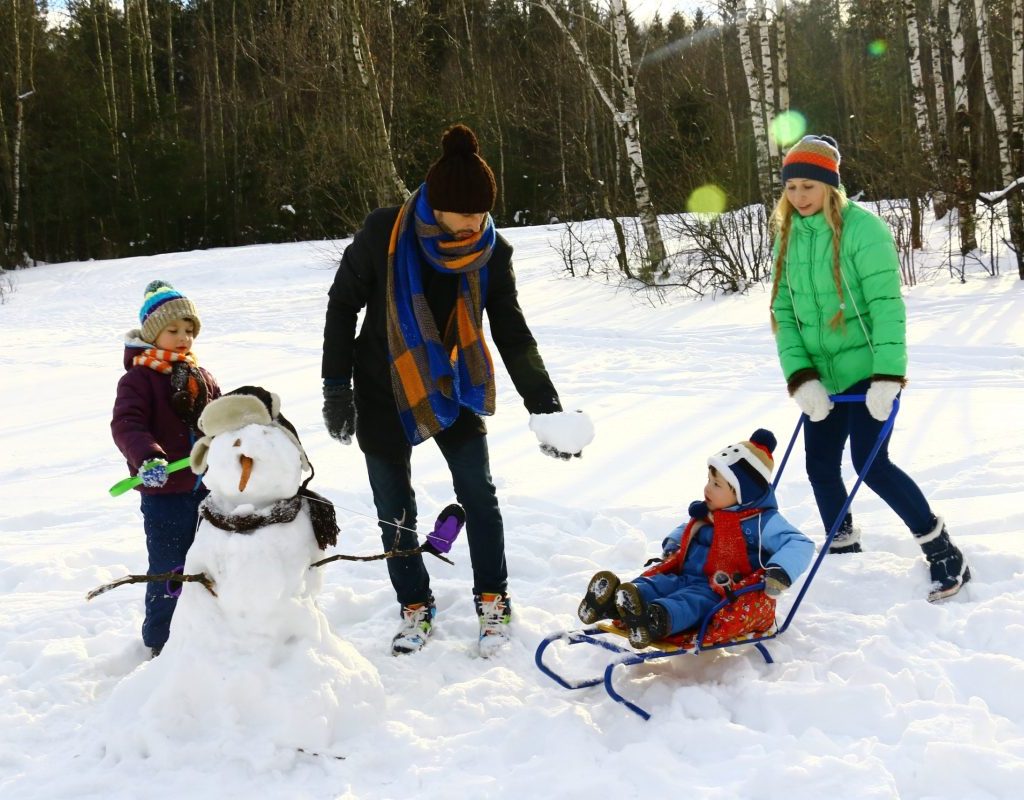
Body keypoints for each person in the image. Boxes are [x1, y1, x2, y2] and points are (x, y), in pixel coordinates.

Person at [322, 123, 592, 657]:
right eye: (464, 213)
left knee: (479, 495)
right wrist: (336, 387)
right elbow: (341, 304)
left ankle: (493, 599)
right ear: (436, 207)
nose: (475, 223)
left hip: (452, 383)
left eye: (482, 213)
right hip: (381, 383)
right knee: (393, 507)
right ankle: (414, 606)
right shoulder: (384, 234)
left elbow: (511, 332)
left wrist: (546, 408)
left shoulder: (492, 252)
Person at [769, 134, 970, 602]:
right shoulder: (787, 233)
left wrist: (887, 377)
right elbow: (783, 311)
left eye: (809, 187)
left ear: (830, 187)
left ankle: (942, 551)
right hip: (822, 377)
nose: (799, 197)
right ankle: (842, 544)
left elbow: (886, 308)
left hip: (866, 370)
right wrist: (801, 378)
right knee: (818, 464)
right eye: (792, 187)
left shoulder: (864, 230)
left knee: (869, 462)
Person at [578, 429, 814, 648]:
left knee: (690, 602)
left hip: (718, 589)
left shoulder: (763, 521)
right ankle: (616, 602)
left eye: (716, 484)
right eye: (709, 480)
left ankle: (656, 620)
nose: (707, 489)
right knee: (659, 584)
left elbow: (799, 543)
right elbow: (688, 528)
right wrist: (673, 543)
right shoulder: (711, 512)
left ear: (743, 494)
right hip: (685, 575)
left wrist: (779, 571)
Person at [111, 281, 221, 657]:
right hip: (165, 495)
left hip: (208, 490)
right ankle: (162, 642)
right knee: (170, 569)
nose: (183, 337)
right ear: (152, 333)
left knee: (212, 562)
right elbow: (127, 424)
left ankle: (213, 629)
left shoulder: (201, 376)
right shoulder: (139, 379)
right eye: (173, 330)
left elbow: (219, 420)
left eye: (189, 330)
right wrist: (148, 458)